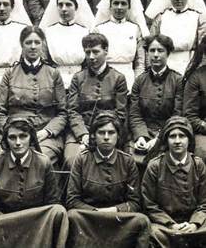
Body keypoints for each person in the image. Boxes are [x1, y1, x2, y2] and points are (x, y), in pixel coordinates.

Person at [0, 117, 68, 247]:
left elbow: (52, 202)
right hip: (4, 224)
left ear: (31, 138)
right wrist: (6, 220)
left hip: (35, 226)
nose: (18, 142)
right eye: (12, 137)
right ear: (6, 140)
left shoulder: (43, 162)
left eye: (23, 136)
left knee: (59, 210)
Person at [66, 111, 151, 248]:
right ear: (93, 135)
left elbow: (135, 202)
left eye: (111, 133)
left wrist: (114, 211)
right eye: (101, 132)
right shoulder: (82, 160)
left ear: (118, 136)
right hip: (89, 219)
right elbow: (72, 200)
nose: (106, 137)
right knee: (72, 217)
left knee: (142, 220)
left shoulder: (127, 161)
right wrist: (95, 212)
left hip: (118, 220)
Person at [0, 26, 68, 164]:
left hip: (45, 135)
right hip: (14, 133)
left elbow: (62, 113)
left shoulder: (53, 74)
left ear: (43, 45)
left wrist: (47, 131)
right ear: (21, 45)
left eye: (37, 42)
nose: (33, 47)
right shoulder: (10, 73)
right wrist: (12, 131)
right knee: (1, 159)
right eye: (28, 43)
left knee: (41, 159)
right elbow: (0, 112)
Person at [64, 33, 129, 168]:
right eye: (87, 52)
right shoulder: (78, 78)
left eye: (95, 51)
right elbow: (72, 111)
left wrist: (100, 134)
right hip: (80, 133)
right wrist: (83, 135)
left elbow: (120, 113)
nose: (91, 57)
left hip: (108, 132)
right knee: (73, 160)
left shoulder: (118, 78)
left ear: (106, 51)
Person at [141, 116, 206, 247]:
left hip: (195, 224)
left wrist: (194, 223)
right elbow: (150, 205)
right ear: (166, 140)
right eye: (172, 136)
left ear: (189, 139)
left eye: (182, 136)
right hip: (164, 225)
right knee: (152, 235)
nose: (177, 141)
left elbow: (204, 203)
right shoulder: (155, 166)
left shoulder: (198, 165)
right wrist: (171, 224)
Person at [130, 35, 182, 166]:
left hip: (169, 134)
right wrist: (141, 136)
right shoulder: (140, 81)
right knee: (132, 161)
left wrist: (159, 139)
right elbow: (135, 114)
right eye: (152, 51)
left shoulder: (178, 81)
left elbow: (177, 115)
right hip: (144, 132)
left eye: (160, 50)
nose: (155, 55)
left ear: (168, 53)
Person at [147, 0, 206, 74]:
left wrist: (195, 71)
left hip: (189, 64)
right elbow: (151, 44)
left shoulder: (198, 17)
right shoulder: (161, 17)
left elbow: (202, 48)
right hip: (163, 64)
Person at [93, 0, 148, 90]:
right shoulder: (99, 29)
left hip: (129, 77)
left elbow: (140, 61)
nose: (119, 7)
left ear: (129, 7)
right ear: (110, 6)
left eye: (123, 4)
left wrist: (137, 82)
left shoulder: (135, 29)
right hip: (104, 77)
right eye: (116, 3)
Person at [40, 0, 95, 87]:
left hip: (81, 81)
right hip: (56, 81)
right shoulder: (49, 32)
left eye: (68, 5)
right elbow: (44, 61)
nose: (64, 9)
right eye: (60, 5)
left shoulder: (85, 31)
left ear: (76, 8)